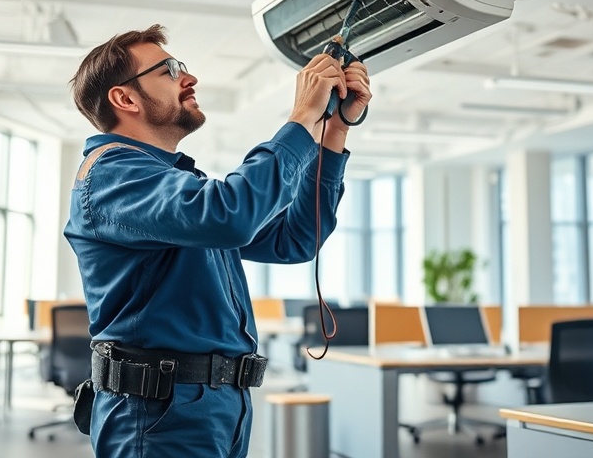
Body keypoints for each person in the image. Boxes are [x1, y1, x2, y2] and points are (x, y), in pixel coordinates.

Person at [64, 24, 371, 458]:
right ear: (125, 98)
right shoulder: (112, 176)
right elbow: (233, 214)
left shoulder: (177, 185)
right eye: (169, 71)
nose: (189, 79)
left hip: (215, 407)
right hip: (157, 417)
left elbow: (294, 239)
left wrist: (332, 133)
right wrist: (301, 117)